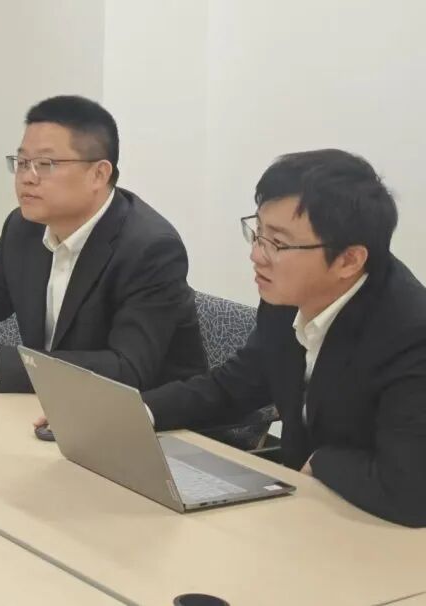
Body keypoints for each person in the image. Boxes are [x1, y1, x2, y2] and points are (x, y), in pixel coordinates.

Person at [142, 149, 426, 527]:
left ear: (349, 260)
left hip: (377, 530)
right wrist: (138, 412)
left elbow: (408, 491)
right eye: (258, 233)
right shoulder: (286, 298)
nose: (257, 255)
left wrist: (322, 461)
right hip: (302, 510)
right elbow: (233, 387)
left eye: (277, 243)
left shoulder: (411, 335)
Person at [0, 95, 206, 393]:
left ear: (99, 174)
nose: (27, 178)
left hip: (150, 418)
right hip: (50, 404)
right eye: (22, 162)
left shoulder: (150, 249)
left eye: (45, 164)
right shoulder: (25, 228)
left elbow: (127, 369)